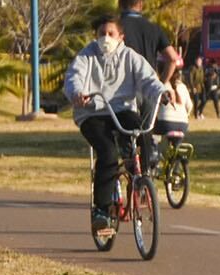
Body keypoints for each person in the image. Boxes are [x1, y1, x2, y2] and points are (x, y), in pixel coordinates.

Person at [63, 15, 166, 233]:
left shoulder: (130, 56)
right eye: (102, 34)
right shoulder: (86, 55)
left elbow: (148, 79)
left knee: (143, 132)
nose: (106, 38)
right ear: (96, 36)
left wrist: (163, 92)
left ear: (121, 37)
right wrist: (78, 93)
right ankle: (102, 211)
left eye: (111, 34)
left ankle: (142, 177)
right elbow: (74, 77)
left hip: (122, 110)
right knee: (108, 153)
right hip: (93, 113)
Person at [117, 0, 182, 84]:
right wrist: (160, 85)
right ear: (141, 4)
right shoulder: (154, 28)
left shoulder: (114, 29)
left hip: (122, 87)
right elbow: (173, 58)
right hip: (147, 87)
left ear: (119, 4)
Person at [153, 63, 195, 169]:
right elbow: (189, 106)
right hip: (183, 123)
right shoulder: (183, 87)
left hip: (165, 122)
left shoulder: (161, 85)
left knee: (152, 135)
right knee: (176, 147)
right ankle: (175, 172)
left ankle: (154, 157)